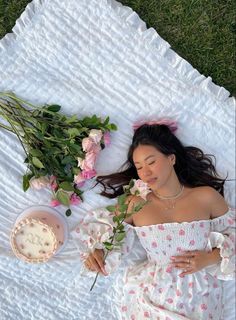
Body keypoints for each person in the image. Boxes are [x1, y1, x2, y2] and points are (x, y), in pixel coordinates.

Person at [75, 121, 235, 320]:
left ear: (171, 159)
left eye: (151, 162)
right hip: (152, 295)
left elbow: (234, 234)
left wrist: (208, 258)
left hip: (200, 296)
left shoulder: (205, 197)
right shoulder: (135, 203)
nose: (146, 172)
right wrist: (97, 253)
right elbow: (110, 240)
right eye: (139, 167)